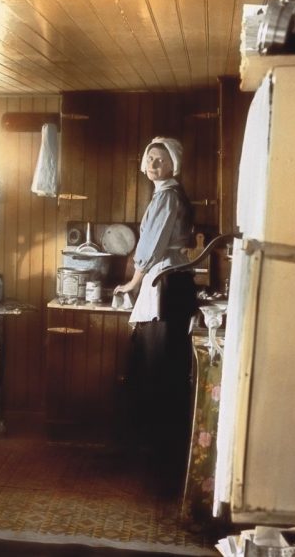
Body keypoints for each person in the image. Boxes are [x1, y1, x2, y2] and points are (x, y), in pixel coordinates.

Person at [114, 136, 197, 495]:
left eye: (161, 159)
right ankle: (160, 459)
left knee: (158, 370)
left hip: (166, 286)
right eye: (150, 157)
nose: (153, 163)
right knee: (161, 370)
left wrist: (132, 281)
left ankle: (160, 464)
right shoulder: (167, 194)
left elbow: (150, 248)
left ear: (173, 165)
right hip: (168, 284)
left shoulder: (167, 196)